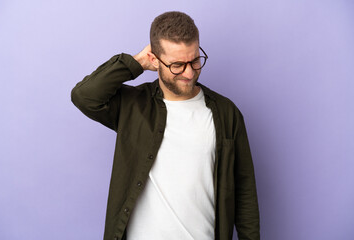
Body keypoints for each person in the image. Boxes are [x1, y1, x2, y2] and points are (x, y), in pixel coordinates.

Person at [71, 11, 259, 240]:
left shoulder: (227, 114)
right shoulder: (133, 107)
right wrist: (136, 62)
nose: (189, 73)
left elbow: (244, 192)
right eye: (177, 65)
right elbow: (85, 96)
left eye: (195, 60)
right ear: (154, 60)